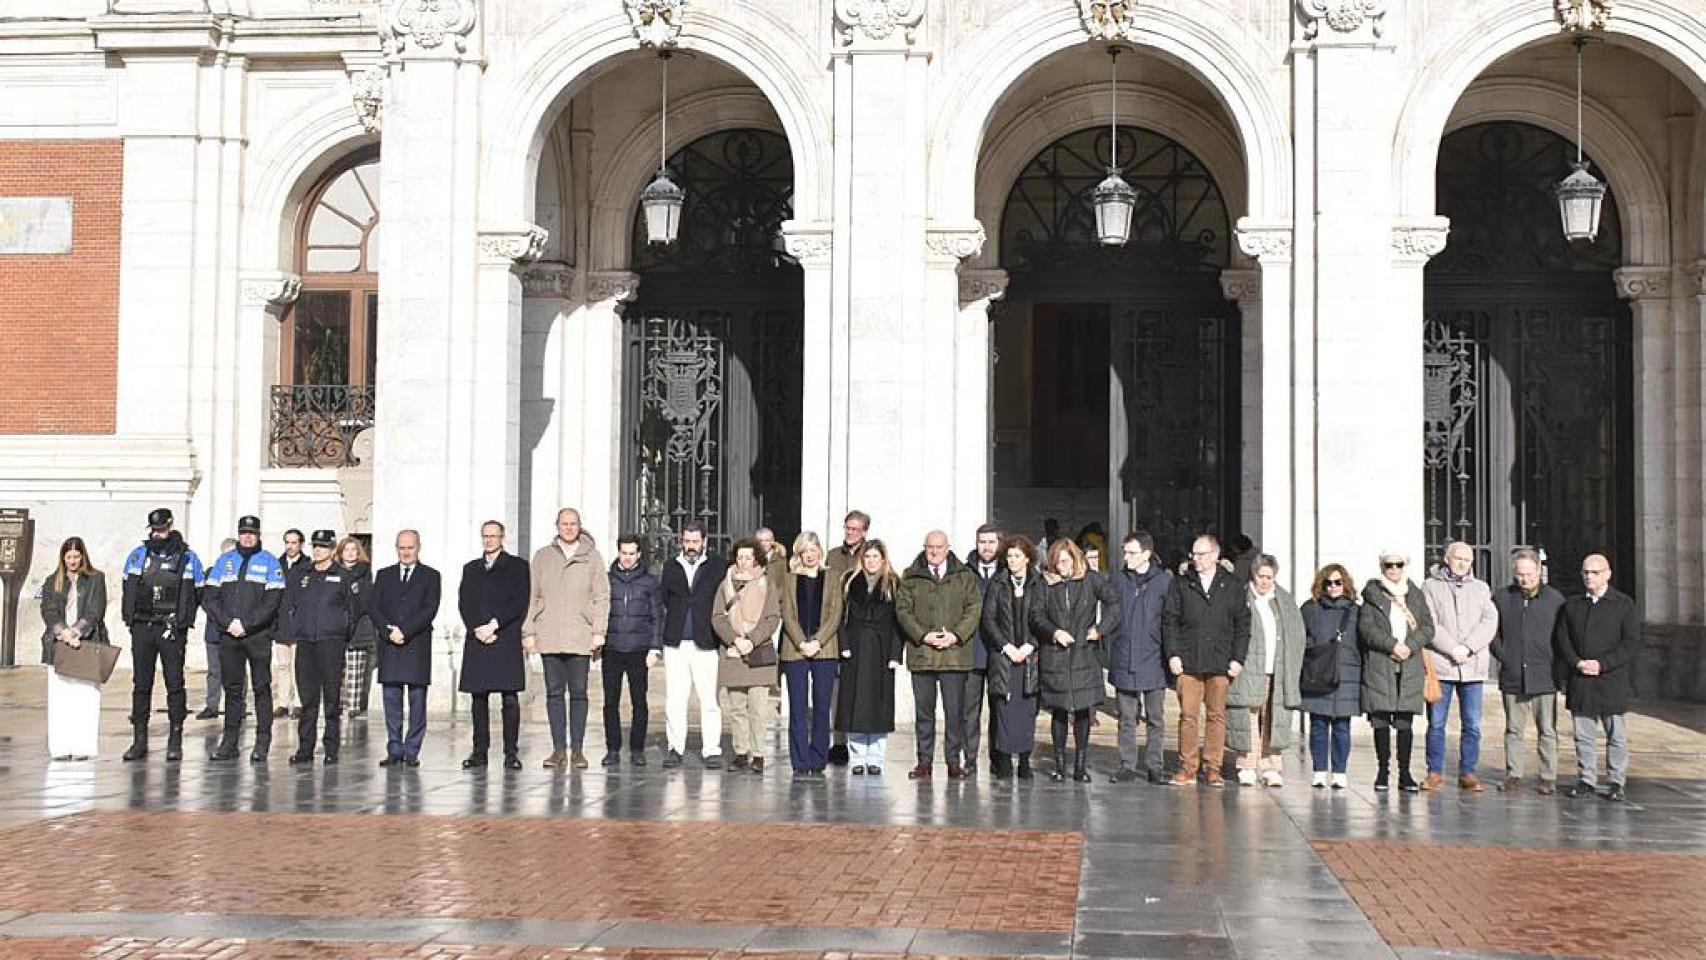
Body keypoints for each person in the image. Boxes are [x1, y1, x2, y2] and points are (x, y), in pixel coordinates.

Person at [524, 507, 610, 770]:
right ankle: (558, 749)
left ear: (580, 526)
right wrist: (528, 631)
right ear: (557, 526)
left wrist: (598, 631)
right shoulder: (542, 557)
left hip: (580, 635)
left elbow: (602, 597)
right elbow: (532, 595)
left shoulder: (592, 557)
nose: (569, 528)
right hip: (549, 633)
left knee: (579, 693)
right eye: (564, 524)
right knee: (553, 693)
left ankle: (578, 750)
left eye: (573, 524)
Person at [1029, 538, 1120, 783]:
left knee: (1083, 710)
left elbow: (1114, 604)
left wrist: (1100, 629)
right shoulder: (1044, 583)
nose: (1061, 567)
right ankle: (1059, 765)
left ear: (1075, 559)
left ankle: (1080, 765)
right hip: (1055, 654)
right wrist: (1054, 632)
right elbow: (1036, 615)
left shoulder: (1091, 579)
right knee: (1059, 711)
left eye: (1066, 561)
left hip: (1084, 653)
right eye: (1057, 562)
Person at [1162, 535, 1249, 788]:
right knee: (1188, 716)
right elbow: (1170, 620)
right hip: (1189, 660)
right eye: (1193, 554)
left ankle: (1213, 767)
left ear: (1214, 556)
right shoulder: (1181, 584)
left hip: (1220, 660)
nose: (1195, 559)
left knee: (1216, 716)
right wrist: (1173, 654)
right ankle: (1188, 767)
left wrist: (1238, 658)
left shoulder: (1232, 585)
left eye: (1200, 554)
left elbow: (1243, 624)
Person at [120, 507, 206, 762]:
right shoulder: (138, 556)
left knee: (175, 684)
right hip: (143, 626)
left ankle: (175, 739)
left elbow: (197, 591)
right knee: (141, 684)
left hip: (171, 628)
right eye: (155, 531)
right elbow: (129, 589)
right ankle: (139, 739)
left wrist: (181, 621)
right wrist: (131, 620)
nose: (159, 535)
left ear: (170, 526)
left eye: (162, 530)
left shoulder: (188, 557)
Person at [896, 530, 982, 779]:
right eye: (929, 547)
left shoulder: (964, 576)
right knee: (924, 713)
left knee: (954, 713)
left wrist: (956, 635)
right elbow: (903, 610)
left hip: (954, 656)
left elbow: (974, 608)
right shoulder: (911, 576)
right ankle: (924, 761)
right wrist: (923, 636)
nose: (933, 551)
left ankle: (954, 761)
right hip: (922, 654)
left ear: (948, 548)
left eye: (939, 547)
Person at [1557, 554, 1641, 802]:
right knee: (1583, 734)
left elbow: (1631, 642)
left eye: (1594, 572)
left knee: (1615, 734)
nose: (1588, 577)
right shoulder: (1572, 605)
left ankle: (1616, 781)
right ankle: (1586, 779)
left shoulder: (1623, 604)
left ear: (1607, 574)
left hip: (1611, 680)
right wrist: (1578, 662)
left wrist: (1603, 664)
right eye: (1585, 572)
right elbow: (1563, 639)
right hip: (1581, 679)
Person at [204, 517, 286, 762]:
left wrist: (247, 624)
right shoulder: (224, 561)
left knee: (261, 688)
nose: (247, 537)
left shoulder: (270, 562)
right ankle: (229, 742)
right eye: (243, 533)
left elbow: (272, 602)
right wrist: (228, 623)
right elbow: (210, 597)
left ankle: (262, 742)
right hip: (229, 635)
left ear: (259, 535)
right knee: (232, 690)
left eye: (252, 533)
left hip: (257, 636)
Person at [1420, 541, 1498, 792]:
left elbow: (1489, 620)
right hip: (1442, 665)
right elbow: (1429, 622)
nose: (1463, 563)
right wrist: (1451, 648)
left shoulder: (1481, 588)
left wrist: (1468, 647)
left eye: (1467, 559)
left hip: (1472, 667)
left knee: (1472, 724)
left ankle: (1468, 771)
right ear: (1447, 558)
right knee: (1436, 724)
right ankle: (1434, 771)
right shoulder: (1430, 587)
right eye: (1458, 558)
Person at [1489, 549, 1566, 794]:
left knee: (1547, 729)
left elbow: (1561, 636)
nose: (1525, 579)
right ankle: (1514, 774)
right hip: (1513, 675)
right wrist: (1506, 657)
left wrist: (1555, 663)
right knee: (1514, 729)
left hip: (1544, 675)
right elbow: (1492, 633)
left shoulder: (1555, 600)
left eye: (1529, 574)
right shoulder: (1502, 598)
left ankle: (1547, 776)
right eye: (1520, 574)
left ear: (1539, 571)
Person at [1360, 549, 1435, 793]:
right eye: (1389, 565)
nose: (1394, 570)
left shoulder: (1415, 594)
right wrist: (1391, 645)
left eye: (1398, 565)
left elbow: (1427, 627)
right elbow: (1367, 629)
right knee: (1380, 719)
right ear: (1382, 567)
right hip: (1382, 663)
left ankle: (1405, 773)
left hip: (1409, 664)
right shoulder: (1372, 595)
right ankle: (1383, 771)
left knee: (1405, 720)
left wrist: (1409, 647)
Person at [1228, 555, 1305, 787]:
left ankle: (1271, 765)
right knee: (1248, 715)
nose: (1264, 582)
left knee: (1274, 715)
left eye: (1269, 577)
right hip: (1249, 666)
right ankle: (1247, 765)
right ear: (1253, 575)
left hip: (1276, 667)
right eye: (1261, 576)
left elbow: (1296, 633)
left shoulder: (1283, 600)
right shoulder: (1241, 597)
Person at [459, 521, 530, 770]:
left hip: (504, 638)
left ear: (502, 537)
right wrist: (477, 628)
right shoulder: (471, 568)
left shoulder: (517, 567)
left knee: (509, 699)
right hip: (478, 638)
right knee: (478, 699)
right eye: (485, 536)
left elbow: (520, 601)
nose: (489, 540)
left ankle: (511, 752)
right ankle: (480, 751)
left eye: (493, 536)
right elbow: (464, 602)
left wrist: (494, 625)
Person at [286, 529, 359, 764]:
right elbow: (293, 604)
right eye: (315, 546)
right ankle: (305, 748)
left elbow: (352, 610)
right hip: (307, 641)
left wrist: (340, 633)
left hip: (331, 642)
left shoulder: (342, 576)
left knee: (331, 698)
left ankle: (331, 747)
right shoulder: (302, 574)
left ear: (332, 549)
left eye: (323, 547)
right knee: (307, 699)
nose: (318, 551)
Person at [660, 520, 727, 768]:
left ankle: (711, 750)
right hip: (676, 643)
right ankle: (675, 747)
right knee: (675, 699)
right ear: (681, 541)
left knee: (709, 700)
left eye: (695, 542)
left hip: (706, 642)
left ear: (705, 542)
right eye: (687, 541)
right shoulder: (670, 567)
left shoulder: (718, 566)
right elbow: (665, 599)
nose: (690, 546)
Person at [834, 540, 904, 775]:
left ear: (883, 559)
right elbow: (840, 618)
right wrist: (843, 646)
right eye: (868, 557)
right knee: (854, 704)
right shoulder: (849, 582)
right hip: (855, 650)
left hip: (881, 650)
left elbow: (898, 623)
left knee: (879, 705)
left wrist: (895, 653)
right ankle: (857, 758)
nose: (871, 561)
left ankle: (875, 757)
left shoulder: (893, 584)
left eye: (876, 557)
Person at [371, 529, 440, 767]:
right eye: (402, 548)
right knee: (391, 700)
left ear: (418, 547)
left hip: (416, 644)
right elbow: (375, 607)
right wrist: (388, 631)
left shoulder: (431, 576)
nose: (406, 552)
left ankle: (412, 749)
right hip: (390, 644)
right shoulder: (384, 575)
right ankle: (394, 748)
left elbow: (429, 609)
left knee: (417, 701)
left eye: (410, 547)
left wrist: (405, 630)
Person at [713, 539, 782, 774]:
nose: (743, 561)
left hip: (758, 653)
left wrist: (751, 640)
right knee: (737, 707)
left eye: (748, 557)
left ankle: (759, 753)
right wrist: (735, 639)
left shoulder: (766, 584)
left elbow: (772, 617)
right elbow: (717, 617)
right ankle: (741, 752)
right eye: (739, 557)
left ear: (757, 560)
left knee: (758, 707)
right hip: (734, 652)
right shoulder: (725, 585)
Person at [1108, 531, 1171, 784]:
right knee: (1126, 717)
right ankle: (1127, 765)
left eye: (1132, 552)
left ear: (1146, 554)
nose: (1126, 557)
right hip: (1125, 653)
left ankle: (1155, 766)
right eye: (1125, 552)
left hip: (1154, 657)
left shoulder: (1164, 582)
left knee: (1155, 718)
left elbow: (1170, 619)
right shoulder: (1118, 580)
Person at [39, 537, 109, 761]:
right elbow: (48, 610)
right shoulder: (53, 580)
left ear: (83, 556)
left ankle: (82, 747)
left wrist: (77, 631)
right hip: (59, 643)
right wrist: (63, 632)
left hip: (86, 642)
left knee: (85, 697)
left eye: (76, 557)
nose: (72, 561)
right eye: (68, 557)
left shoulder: (96, 579)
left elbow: (96, 610)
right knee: (61, 698)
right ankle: (60, 747)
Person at [781, 532, 842, 777]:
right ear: (799, 554)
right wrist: (801, 642)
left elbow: (835, 613)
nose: (810, 555)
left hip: (824, 649)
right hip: (795, 650)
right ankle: (800, 759)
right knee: (797, 707)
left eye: (814, 550)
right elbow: (787, 614)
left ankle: (818, 758)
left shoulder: (832, 577)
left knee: (822, 705)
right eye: (805, 551)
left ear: (820, 552)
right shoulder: (788, 579)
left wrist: (817, 641)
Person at [982, 535, 1042, 780]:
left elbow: (1044, 619)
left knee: (1027, 711)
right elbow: (989, 620)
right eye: (1009, 556)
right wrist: (1006, 647)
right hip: (1004, 656)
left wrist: (1030, 645)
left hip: (1030, 657)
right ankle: (1004, 761)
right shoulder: (998, 583)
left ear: (1027, 558)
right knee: (1004, 710)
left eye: (1017, 556)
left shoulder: (1039, 583)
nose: (1012, 560)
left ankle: (1025, 760)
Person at [1300, 564, 1361, 789]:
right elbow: (1301, 636)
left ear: (1345, 584)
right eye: (1328, 583)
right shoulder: (1310, 608)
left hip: (1347, 672)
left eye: (1338, 582)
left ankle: (1339, 771)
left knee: (1342, 725)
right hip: (1318, 671)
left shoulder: (1356, 611)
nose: (1333, 587)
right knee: (1318, 723)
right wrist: (1313, 651)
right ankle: (1319, 770)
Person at [604, 534, 663, 767]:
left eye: (631, 553)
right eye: (623, 553)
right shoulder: (607, 580)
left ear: (639, 554)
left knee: (639, 701)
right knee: (611, 702)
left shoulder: (650, 582)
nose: (627, 558)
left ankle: (637, 748)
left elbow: (657, 616)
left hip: (639, 649)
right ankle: (613, 748)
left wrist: (655, 648)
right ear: (618, 553)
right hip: (613, 648)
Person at [822, 509, 871, 767]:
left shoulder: (871, 555)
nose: (850, 533)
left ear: (864, 531)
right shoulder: (833, 555)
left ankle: (860, 742)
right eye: (847, 528)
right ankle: (839, 741)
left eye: (855, 529)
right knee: (837, 690)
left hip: (860, 628)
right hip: (836, 624)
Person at [962, 524, 1002, 778]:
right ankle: (970, 758)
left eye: (991, 542)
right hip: (972, 650)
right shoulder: (965, 572)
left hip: (1000, 651)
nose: (986, 547)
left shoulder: (1009, 570)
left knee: (999, 708)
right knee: (970, 710)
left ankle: (998, 759)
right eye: (982, 542)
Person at [197, 536, 237, 721]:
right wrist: (222, 619)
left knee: (237, 671)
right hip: (215, 630)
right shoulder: (211, 573)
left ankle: (238, 704)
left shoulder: (241, 573)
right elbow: (206, 601)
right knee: (214, 670)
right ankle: (212, 705)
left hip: (235, 629)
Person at [336, 537, 377, 718]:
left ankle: (352, 707)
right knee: (337, 672)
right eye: (346, 550)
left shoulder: (364, 574)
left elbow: (365, 603)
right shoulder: (334, 573)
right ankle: (338, 705)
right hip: (336, 630)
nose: (350, 553)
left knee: (355, 671)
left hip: (358, 630)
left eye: (354, 550)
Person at [273, 528, 306, 719]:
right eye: (287, 542)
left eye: (294, 543)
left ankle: (300, 702)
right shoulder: (277, 565)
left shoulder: (307, 565)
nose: (290, 546)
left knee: (298, 666)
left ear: (300, 544)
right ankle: (283, 703)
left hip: (299, 623)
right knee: (283, 665)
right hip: (281, 622)